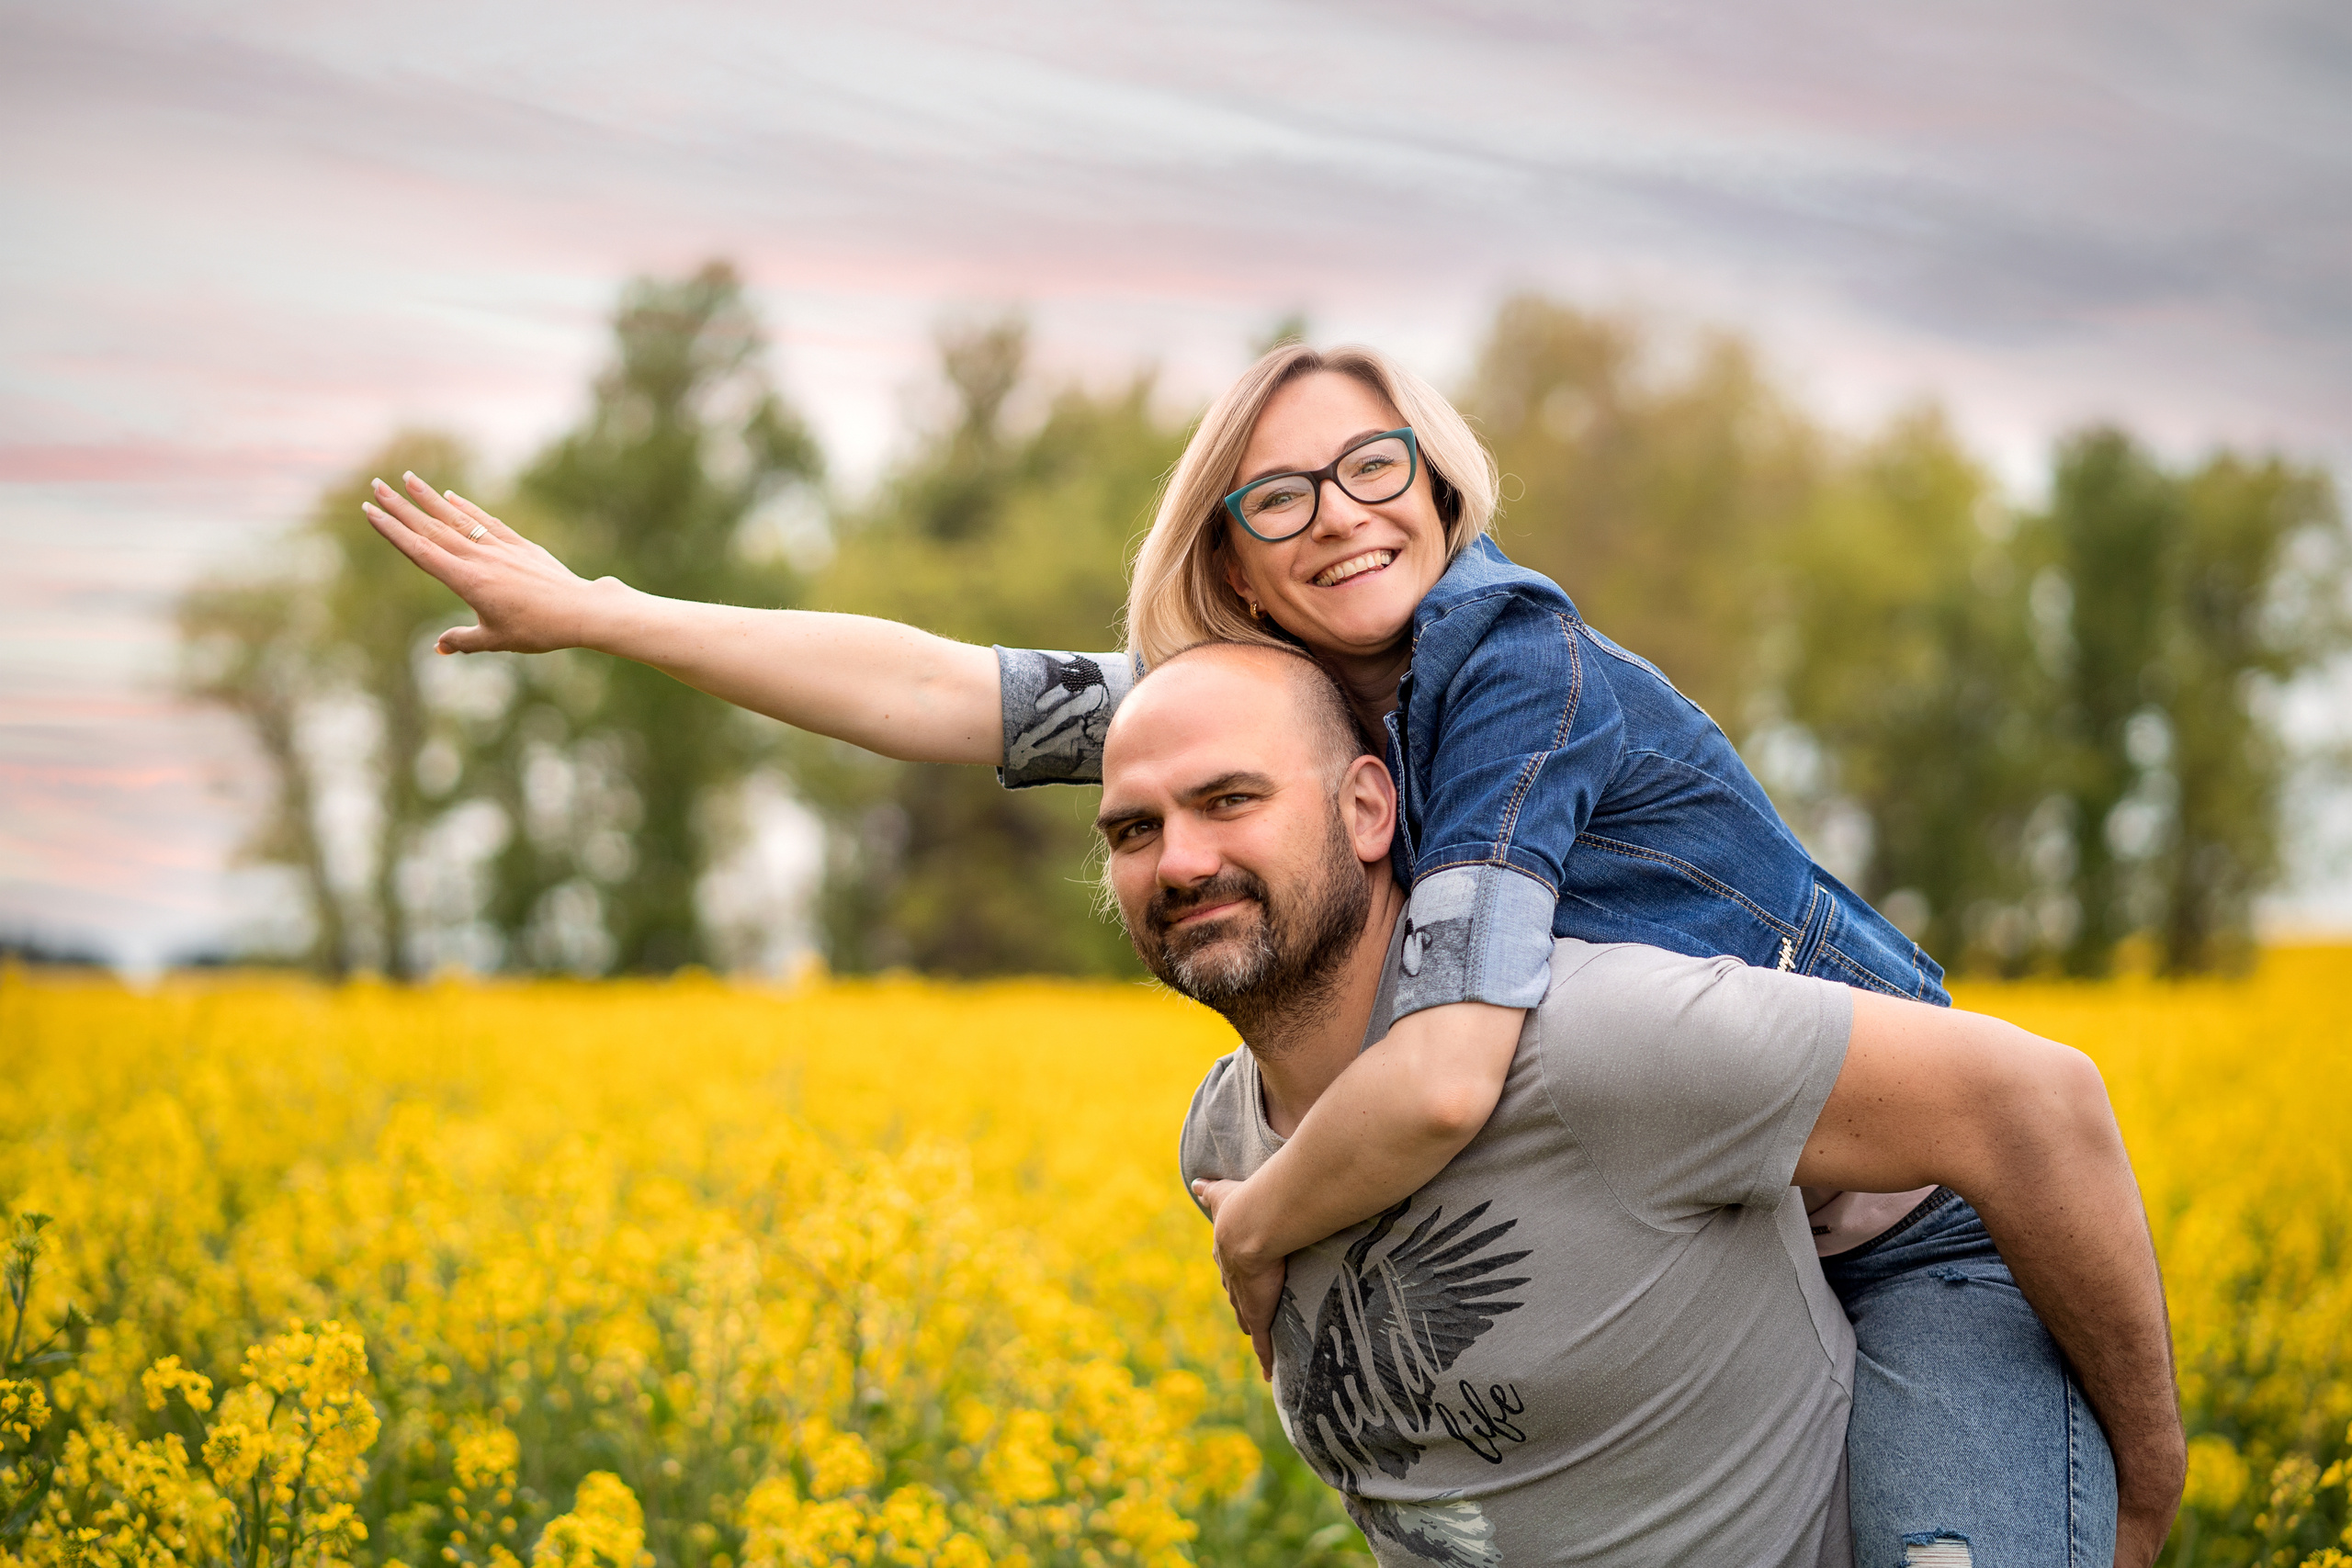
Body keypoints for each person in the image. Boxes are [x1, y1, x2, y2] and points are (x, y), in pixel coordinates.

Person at [357, 339, 2180, 1561]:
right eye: (1276, 494)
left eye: (1370, 464)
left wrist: (1258, 1218)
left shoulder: (1509, 662)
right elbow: (932, 682)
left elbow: (1460, 1058)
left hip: (1919, 1225)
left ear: (1441, 477)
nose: (1340, 514)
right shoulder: (1282, 719)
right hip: (1721, 1217)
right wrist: (605, 611)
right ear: (1228, 547)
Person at [1106, 640, 2179, 1567]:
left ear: (1368, 808)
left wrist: (2149, 1476)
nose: (1180, 860)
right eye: (1131, 830)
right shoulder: (1221, 1143)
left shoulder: (1592, 1042)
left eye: (1229, 800)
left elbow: (2034, 1101)